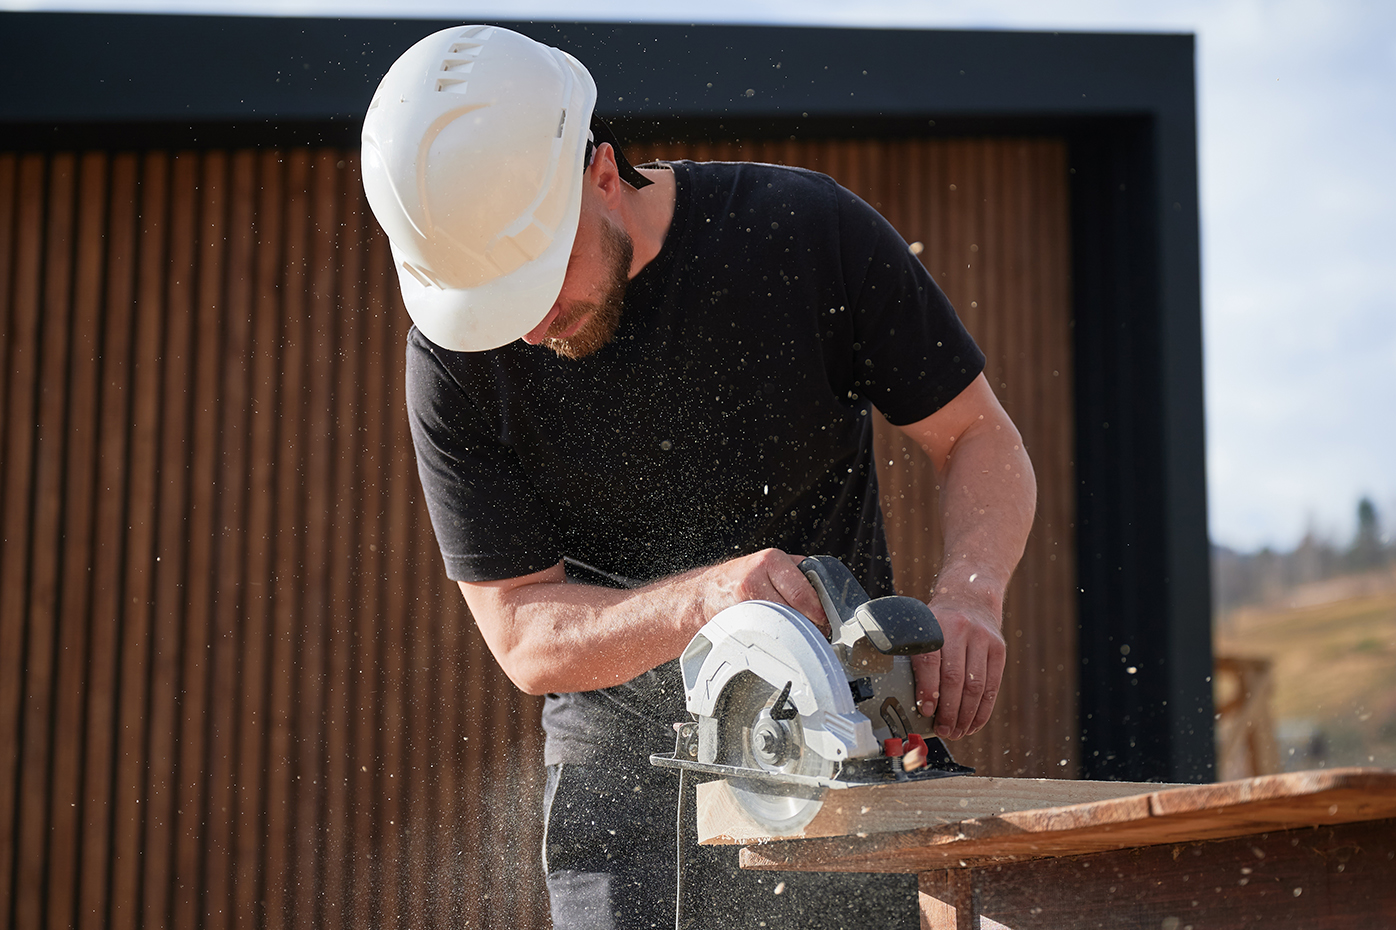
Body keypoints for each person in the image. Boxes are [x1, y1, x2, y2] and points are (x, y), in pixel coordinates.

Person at [361, 24, 1036, 930]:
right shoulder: (455, 357)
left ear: (602, 171)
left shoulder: (802, 232)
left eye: (540, 280)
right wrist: (705, 601)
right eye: (497, 304)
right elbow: (522, 630)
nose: (527, 329)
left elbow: (977, 437)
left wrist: (971, 596)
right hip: (621, 781)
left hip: (840, 748)